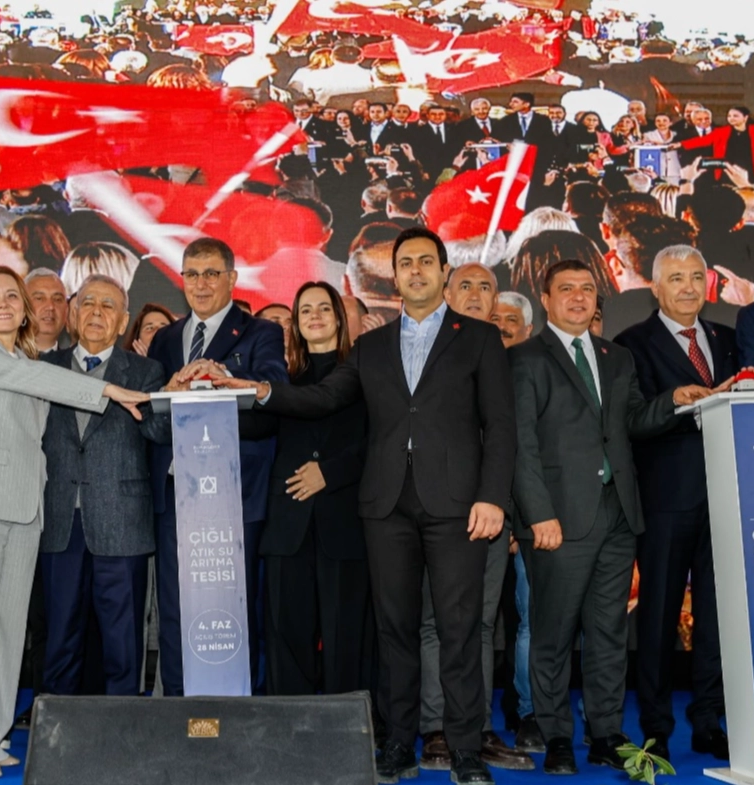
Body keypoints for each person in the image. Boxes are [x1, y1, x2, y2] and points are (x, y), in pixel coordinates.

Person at [217, 227, 515, 785]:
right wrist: (259, 390)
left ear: (444, 272)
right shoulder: (372, 346)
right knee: (393, 630)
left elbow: (500, 426)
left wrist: (493, 497)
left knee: (458, 629)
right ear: (394, 277)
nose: (416, 271)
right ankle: (397, 743)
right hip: (385, 506)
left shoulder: (478, 337)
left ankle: (465, 748)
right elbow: (323, 397)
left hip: (457, 506)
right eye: (406, 264)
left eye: (426, 261)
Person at [0, 266, 148, 778]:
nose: (3, 304)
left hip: (26, 508)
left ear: (25, 308)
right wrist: (110, 389)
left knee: (8, 632)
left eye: (12, 296)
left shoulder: (23, 358)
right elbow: (41, 381)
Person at [509, 259, 712, 776]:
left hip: (618, 516)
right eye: (566, 289)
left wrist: (673, 401)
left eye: (586, 289)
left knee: (609, 635)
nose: (579, 297)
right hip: (557, 522)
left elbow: (633, 421)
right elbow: (520, 447)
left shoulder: (616, 357)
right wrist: (538, 515)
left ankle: (605, 733)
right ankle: (556, 735)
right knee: (553, 635)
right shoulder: (524, 358)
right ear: (546, 300)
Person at [146, 237, 287, 698]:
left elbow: (274, 396)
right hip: (175, 493)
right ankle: (179, 704)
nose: (201, 283)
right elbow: (152, 415)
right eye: (192, 274)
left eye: (211, 273)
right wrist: (171, 391)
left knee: (237, 605)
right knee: (175, 604)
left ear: (232, 279)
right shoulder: (166, 339)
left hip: (234, 493)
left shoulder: (260, 333)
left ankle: (241, 709)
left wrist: (221, 382)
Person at [613, 246, 733, 761]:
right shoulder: (631, 344)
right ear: (656, 288)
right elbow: (631, 421)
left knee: (716, 620)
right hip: (665, 502)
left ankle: (709, 720)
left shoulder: (728, 339)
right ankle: (656, 725)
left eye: (696, 277)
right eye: (676, 278)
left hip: (727, 500)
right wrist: (675, 401)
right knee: (658, 620)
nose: (688, 287)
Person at [417, 262, 532, 772]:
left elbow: (517, 446)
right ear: (446, 293)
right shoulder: (421, 349)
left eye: (486, 287)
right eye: (464, 284)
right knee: (433, 623)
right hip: (430, 510)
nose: (475, 293)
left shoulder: (511, 360)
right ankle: (436, 729)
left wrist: (507, 509)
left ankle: (477, 728)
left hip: (491, 514)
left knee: (481, 624)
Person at [39, 274, 168, 698]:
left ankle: (124, 730)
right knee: (60, 638)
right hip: (58, 519)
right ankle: (57, 726)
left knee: (122, 643)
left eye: (108, 305)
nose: (96, 312)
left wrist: (169, 400)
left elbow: (158, 433)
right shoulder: (43, 368)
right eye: (88, 303)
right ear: (73, 314)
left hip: (121, 521)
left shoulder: (145, 371)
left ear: (123, 321)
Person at [260, 281, 369, 700]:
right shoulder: (281, 379)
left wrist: (330, 473)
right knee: (286, 635)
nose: (315, 316)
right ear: (295, 323)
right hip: (287, 525)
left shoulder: (365, 374)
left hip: (344, 523)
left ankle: (346, 726)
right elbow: (255, 428)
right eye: (305, 310)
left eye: (324, 307)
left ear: (339, 319)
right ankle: (290, 725)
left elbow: (380, 442)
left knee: (346, 636)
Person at [25, 268, 70, 352]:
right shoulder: (3, 357)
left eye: (57, 299)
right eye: (39, 298)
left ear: (66, 310)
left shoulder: (75, 360)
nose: (50, 306)